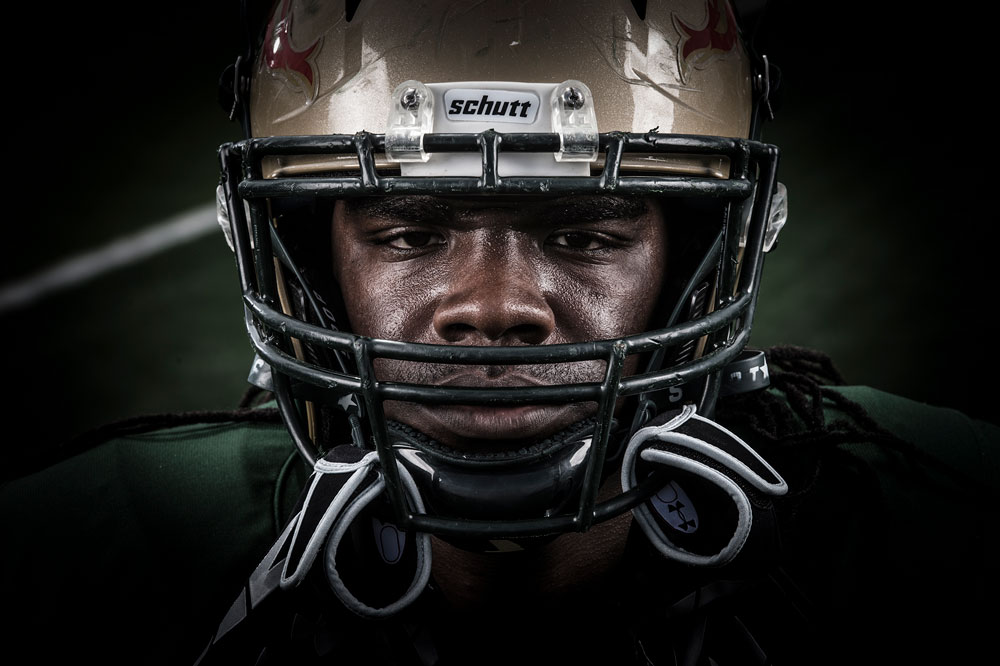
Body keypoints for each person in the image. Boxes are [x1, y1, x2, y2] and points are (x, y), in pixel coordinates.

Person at [2, 1, 997, 664]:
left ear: (701, 255)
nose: (490, 306)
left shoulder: (928, 510)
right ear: (306, 260)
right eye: (408, 233)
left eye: (584, 232)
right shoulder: (98, 547)